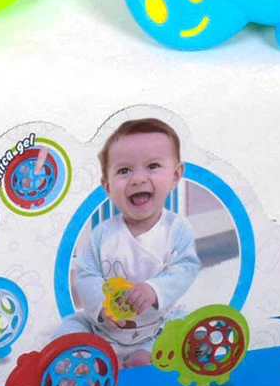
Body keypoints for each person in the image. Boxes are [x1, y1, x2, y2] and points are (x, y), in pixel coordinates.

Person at [60, 118, 200, 367]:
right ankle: (95, 355)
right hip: (104, 328)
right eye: (124, 171)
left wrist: (154, 290)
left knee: (184, 325)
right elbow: (86, 274)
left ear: (176, 175)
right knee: (69, 327)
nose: (137, 179)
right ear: (107, 186)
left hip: (157, 324)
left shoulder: (177, 229)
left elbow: (186, 268)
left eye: (153, 166)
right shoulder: (102, 234)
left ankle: (145, 354)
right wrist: (101, 307)